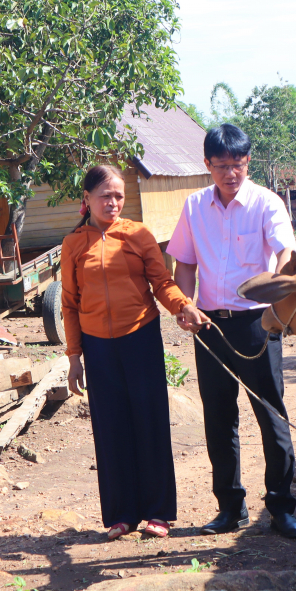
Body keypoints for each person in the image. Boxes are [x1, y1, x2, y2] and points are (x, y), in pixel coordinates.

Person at [167, 124, 296, 539]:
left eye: (239, 165)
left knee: (271, 413)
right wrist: (186, 304)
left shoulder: (266, 203)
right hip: (209, 324)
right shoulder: (194, 207)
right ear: (207, 165)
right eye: (222, 165)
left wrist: (278, 292)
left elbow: (285, 250)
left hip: (257, 323)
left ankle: (281, 507)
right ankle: (230, 507)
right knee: (219, 417)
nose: (231, 174)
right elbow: (185, 263)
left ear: (248, 162)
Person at [61, 165, 207, 541]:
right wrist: (75, 356)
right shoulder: (73, 244)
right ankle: (121, 514)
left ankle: (159, 512)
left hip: (140, 337)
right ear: (87, 200)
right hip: (97, 347)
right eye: (105, 196)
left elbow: (162, 282)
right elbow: (69, 304)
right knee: (111, 429)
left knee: (150, 421)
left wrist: (182, 306)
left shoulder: (138, 235)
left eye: (118, 196)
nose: (112, 203)